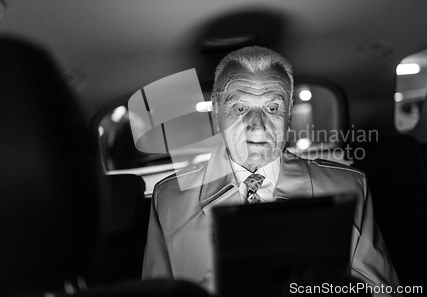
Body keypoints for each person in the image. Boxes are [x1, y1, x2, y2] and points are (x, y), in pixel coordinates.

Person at [142, 46, 400, 295]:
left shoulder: (348, 187)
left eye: (272, 108)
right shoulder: (169, 199)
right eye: (240, 108)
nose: (257, 127)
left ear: (288, 112)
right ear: (216, 112)